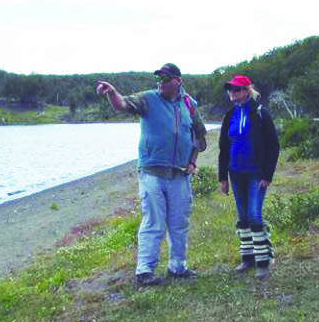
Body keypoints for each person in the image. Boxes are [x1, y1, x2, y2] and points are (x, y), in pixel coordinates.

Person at [96, 64, 207, 287]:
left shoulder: (189, 104)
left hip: (180, 175)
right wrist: (111, 93)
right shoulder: (148, 98)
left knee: (179, 223)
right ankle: (144, 271)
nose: (161, 82)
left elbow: (200, 137)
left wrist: (193, 161)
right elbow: (123, 105)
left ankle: (178, 267)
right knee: (153, 222)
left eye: (166, 79)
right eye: (159, 79)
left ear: (178, 81)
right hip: (152, 173)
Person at [217, 75, 280, 280]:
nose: (232, 94)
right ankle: (247, 259)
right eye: (230, 90)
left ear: (246, 91)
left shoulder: (261, 113)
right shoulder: (229, 116)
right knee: (243, 216)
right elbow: (223, 148)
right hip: (236, 173)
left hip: (256, 174)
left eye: (236, 90)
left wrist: (267, 175)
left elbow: (273, 146)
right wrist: (222, 177)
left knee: (254, 215)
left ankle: (263, 262)